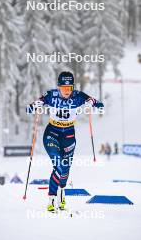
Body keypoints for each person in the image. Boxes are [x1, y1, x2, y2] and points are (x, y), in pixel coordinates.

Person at [27, 71, 104, 212]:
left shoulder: (78, 96)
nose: (67, 91)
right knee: (59, 165)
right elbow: (36, 103)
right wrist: (33, 107)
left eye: (69, 88)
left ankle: (62, 191)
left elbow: (95, 102)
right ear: (58, 87)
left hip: (68, 135)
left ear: (73, 88)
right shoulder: (51, 95)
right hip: (52, 133)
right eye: (63, 88)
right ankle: (51, 199)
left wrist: (94, 105)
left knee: (65, 170)